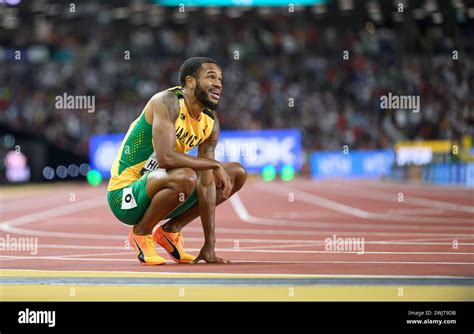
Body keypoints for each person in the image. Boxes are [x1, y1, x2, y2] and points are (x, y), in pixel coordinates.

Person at [107, 57, 247, 265]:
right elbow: (166, 157)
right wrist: (214, 164)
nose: (218, 83)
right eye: (211, 77)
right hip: (125, 196)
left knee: (236, 173)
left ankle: (170, 232)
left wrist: (210, 245)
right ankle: (141, 233)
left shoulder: (210, 122)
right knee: (187, 176)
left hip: (164, 190)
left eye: (220, 79)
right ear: (190, 82)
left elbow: (207, 182)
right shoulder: (166, 102)